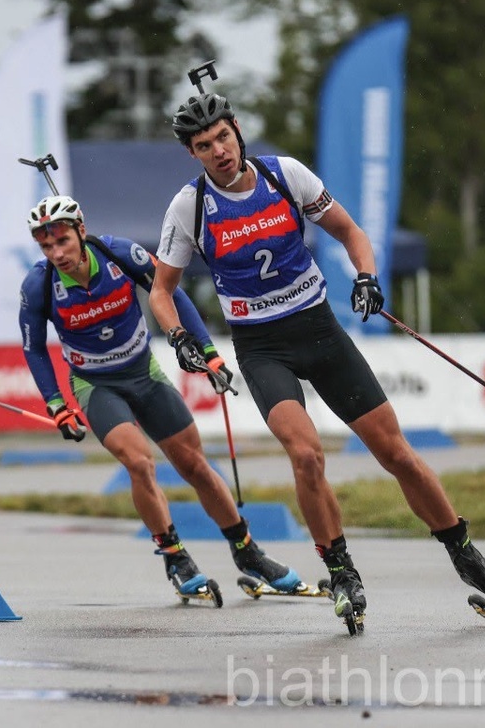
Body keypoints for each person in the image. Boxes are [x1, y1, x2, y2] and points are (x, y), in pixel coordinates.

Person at [148, 82, 485, 628]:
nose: (220, 151)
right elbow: (162, 291)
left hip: (320, 330)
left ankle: (466, 555)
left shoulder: (285, 175)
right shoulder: (191, 206)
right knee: (306, 456)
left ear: (237, 131)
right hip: (263, 347)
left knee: (394, 452)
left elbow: (351, 231)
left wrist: (368, 276)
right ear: (193, 153)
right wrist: (180, 338)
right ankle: (342, 570)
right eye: (205, 145)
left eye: (223, 137)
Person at [17, 180, 305, 601]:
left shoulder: (120, 254)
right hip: (96, 385)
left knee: (195, 466)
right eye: (47, 248)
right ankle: (175, 556)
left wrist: (209, 353)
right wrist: (57, 404)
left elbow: (171, 294)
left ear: (81, 229)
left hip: (143, 372)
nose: (57, 254)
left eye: (62, 240)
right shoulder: (39, 285)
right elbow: (34, 348)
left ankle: (248, 553)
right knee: (139, 462)